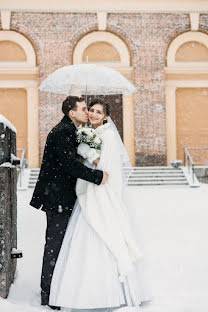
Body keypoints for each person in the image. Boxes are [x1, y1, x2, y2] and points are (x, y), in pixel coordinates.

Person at [49, 98, 151, 311]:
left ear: (106, 116)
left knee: (104, 234)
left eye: (98, 112)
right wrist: (85, 151)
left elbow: (107, 169)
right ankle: (82, 291)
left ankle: (109, 292)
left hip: (101, 193)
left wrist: (90, 154)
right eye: (91, 110)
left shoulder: (109, 137)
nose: (93, 114)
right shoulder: (88, 134)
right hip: (87, 192)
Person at [30, 96, 109, 310]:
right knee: (54, 245)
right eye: (84, 109)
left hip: (66, 197)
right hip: (57, 198)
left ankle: (58, 288)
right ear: (71, 112)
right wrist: (97, 176)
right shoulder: (61, 132)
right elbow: (69, 165)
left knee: (62, 244)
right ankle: (48, 293)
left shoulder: (73, 131)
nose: (88, 112)